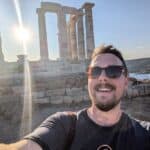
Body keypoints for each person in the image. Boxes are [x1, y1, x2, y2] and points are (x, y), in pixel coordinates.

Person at [0, 45, 150, 150]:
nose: (103, 77)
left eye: (114, 71)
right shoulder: (62, 124)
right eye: (95, 71)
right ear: (88, 80)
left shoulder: (145, 132)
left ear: (126, 80)